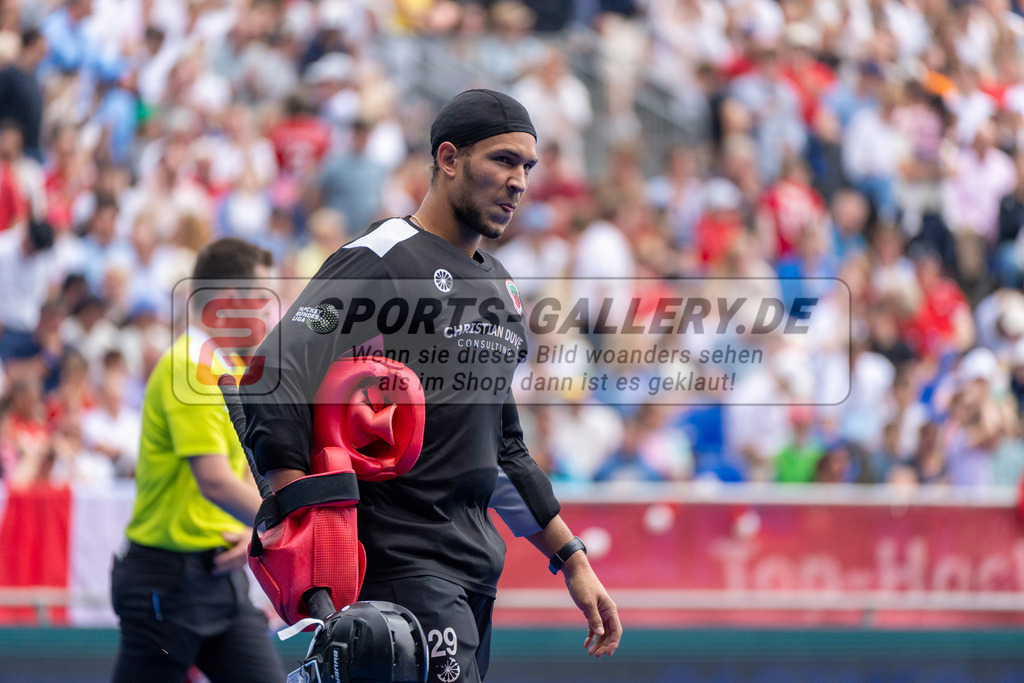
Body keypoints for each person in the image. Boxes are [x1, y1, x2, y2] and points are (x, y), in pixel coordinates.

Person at [240, 89, 621, 682]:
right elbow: (271, 374)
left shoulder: (502, 289)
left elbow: (505, 450)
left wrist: (571, 559)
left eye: (527, 167)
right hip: (399, 567)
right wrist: (301, 517)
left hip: (474, 569)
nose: (519, 181)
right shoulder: (379, 259)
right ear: (448, 159)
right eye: (502, 160)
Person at [110, 237, 285, 682]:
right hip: (165, 582)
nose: (270, 314)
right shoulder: (189, 366)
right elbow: (215, 481)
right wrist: (285, 524)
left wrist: (255, 529)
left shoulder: (230, 369)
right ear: (229, 304)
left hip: (221, 579)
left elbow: (246, 471)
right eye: (263, 300)